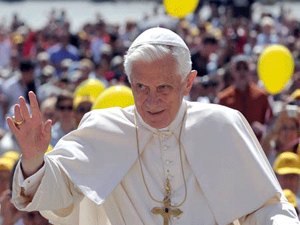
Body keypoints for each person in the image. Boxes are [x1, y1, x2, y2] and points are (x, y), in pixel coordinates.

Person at [7, 27, 299, 224]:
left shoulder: (222, 125)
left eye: (163, 88)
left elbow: (266, 207)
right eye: (141, 87)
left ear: (188, 83)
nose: (151, 100)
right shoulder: (105, 128)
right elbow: (60, 192)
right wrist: (34, 159)